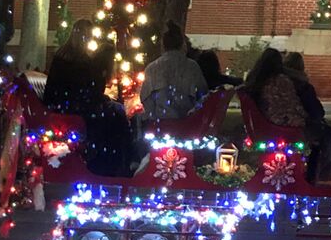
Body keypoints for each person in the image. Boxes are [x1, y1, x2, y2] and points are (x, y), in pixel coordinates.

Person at [44, 24, 146, 177]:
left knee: (115, 111)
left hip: (63, 105)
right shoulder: (81, 61)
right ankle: (122, 161)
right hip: (75, 108)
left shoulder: (61, 56)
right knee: (116, 113)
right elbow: (86, 92)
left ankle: (122, 159)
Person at [244, 49, 331, 185]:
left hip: (263, 126)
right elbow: (294, 106)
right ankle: (314, 177)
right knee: (325, 134)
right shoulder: (282, 82)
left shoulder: (255, 83)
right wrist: (306, 118)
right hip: (286, 126)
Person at [140, 22, 208, 121]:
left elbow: (146, 98)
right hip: (187, 123)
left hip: (160, 123)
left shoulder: (152, 68)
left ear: (163, 45)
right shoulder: (192, 67)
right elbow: (203, 94)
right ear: (182, 44)